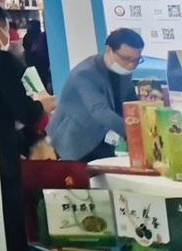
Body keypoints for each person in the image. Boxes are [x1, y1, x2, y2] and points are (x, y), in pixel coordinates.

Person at [0, 2, 55, 251]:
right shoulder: (0, 61)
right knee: (12, 237)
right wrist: (42, 105)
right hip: (2, 162)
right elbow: (24, 111)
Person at [48, 27, 143, 162]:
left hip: (105, 138)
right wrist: (135, 132)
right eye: (126, 58)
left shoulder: (123, 70)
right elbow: (98, 110)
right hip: (76, 141)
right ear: (108, 50)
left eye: (136, 60)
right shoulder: (85, 73)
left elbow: (131, 101)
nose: (131, 65)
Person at [23, 20, 51, 93]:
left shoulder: (26, 37)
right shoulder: (42, 36)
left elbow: (26, 49)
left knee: (34, 85)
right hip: (43, 63)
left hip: (31, 63)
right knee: (43, 81)